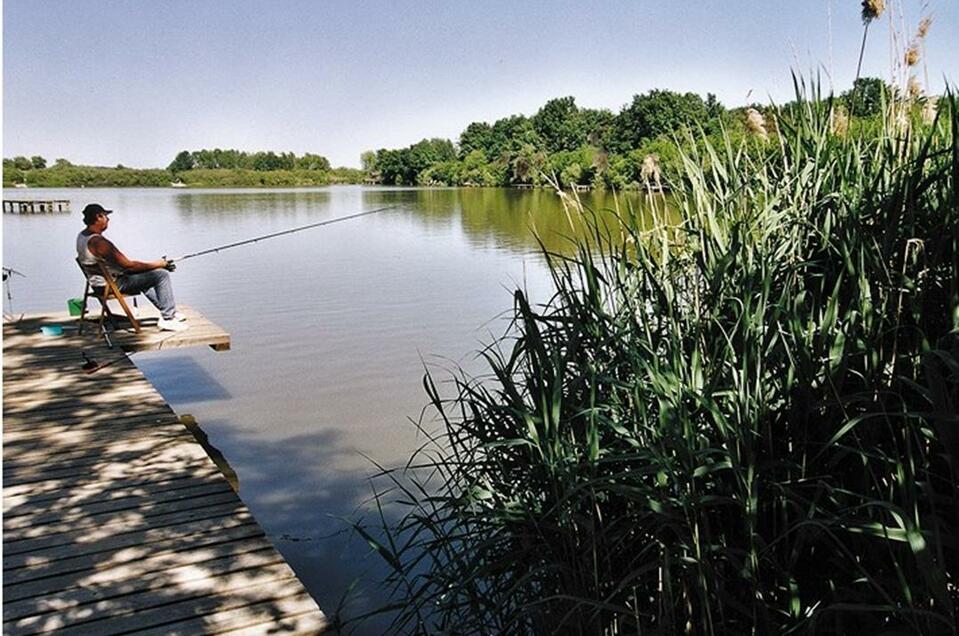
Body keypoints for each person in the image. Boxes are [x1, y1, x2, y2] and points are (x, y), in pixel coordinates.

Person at [76, 203, 188, 332]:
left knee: (147, 275)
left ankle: (169, 311)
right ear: (99, 217)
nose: (108, 219)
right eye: (106, 216)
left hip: (98, 284)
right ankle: (168, 319)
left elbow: (125, 267)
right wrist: (159, 264)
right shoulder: (99, 242)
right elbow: (129, 265)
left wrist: (149, 267)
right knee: (161, 274)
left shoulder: (82, 236)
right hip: (112, 285)